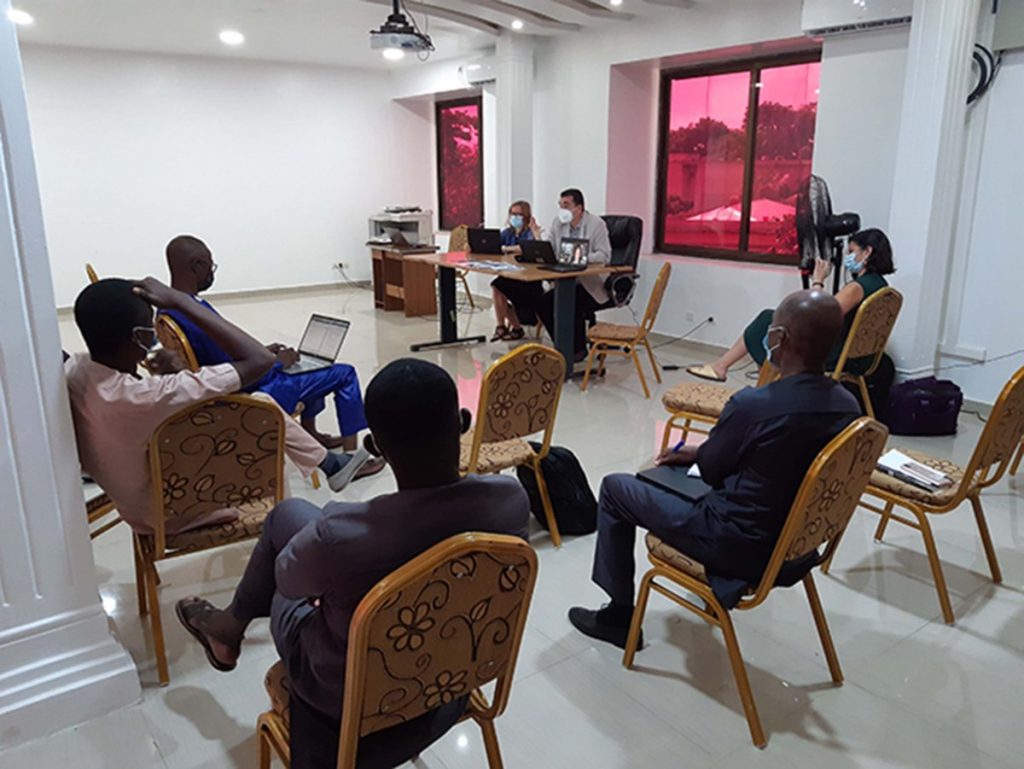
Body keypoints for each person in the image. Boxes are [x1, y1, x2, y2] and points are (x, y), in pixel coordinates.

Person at [174, 359, 530, 769]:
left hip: (345, 696)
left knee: (284, 562)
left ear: (375, 446)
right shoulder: (510, 500)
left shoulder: (340, 535)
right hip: (456, 674)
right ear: (462, 422)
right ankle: (230, 625)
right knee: (290, 515)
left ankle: (226, 628)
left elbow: (288, 583)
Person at [568, 290, 861, 649]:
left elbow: (710, 471)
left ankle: (617, 617)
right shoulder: (848, 406)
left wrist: (701, 455)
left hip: (735, 542)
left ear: (779, 338)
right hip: (795, 544)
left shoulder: (754, 405)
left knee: (616, 488)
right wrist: (700, 452)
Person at [65, 278, 371, 536]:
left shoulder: (78, 370)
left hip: (133, 498)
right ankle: (287, 532)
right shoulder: (144, 397)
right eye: (150, 333)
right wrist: (181, 302)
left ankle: (330, 464)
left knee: (256, 403)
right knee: (260, 416)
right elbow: (260, 362)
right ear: (137, 337)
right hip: (170, 510)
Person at [163, 235, 383, 480]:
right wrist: (276, 362)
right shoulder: (194, 315)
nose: (212, 273)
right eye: (210, 265)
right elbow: (233, 372)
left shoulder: (172, 310)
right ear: (196, 265)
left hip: (226, 383)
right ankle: (351, 462)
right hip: (253, 390)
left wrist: (263, 352)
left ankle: (313, 436)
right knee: (343, 373)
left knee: (307, 369)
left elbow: (220, 357)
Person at [687, 228, 896, 382]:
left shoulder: (857, 288)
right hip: (863, 359)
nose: (849, 258)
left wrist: (818, 280)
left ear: (867, 252)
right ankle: (735, 371)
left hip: (836, 356)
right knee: (773, 321)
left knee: (768, 320)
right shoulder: (883, 288)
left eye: (852, 252)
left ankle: (726, 368)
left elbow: (820, 315)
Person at [536, 188, 613, 362]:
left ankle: (577, 351)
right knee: (543, 302)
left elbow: (604, 255)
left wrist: (579, 257)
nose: (562, 209)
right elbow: (551, 249)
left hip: (591, 283)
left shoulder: (596, 224)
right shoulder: (558, 223)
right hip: (565, 280)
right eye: (560, 204)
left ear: (578, 208)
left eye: (566, 205)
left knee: (572, 302)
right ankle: (563, 345)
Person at [491, 200, 544, 342]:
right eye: (512, 214)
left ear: (526, 216)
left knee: (501, 286)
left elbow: (527, 247)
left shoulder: (530, 232)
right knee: (497, 286)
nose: (515, 217)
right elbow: (495, 244)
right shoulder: (507, 232)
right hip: (511, 275)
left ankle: (512, 328)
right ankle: (505, 327)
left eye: (519, 214)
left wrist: (506, 249)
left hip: (528, 280)